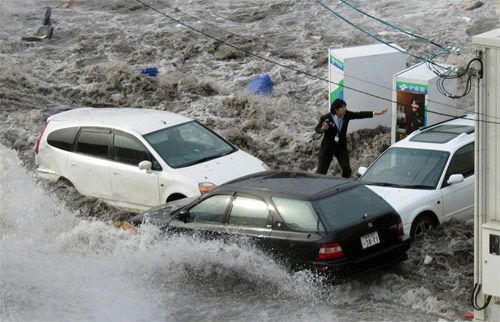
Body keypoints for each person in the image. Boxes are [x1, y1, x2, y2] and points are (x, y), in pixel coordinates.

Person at [315, 98, 388, 178]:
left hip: (340, 146)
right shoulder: (326, 118)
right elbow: (317, 129)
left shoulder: (346, 115)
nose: (345, 109)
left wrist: (376, 113)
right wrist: (322, 129)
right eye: (342, 107)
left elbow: (359, 114)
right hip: (327, 147)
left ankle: (343, 184)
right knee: (321, 171)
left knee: (347, 170)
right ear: (336, 109)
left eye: (345, 107)